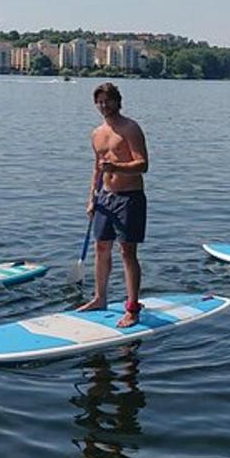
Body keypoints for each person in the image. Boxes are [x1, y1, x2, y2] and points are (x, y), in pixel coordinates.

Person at [79, 82, 149, 328]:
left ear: (118, 102)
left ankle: (132, 307)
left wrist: (116, 167)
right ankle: (100, 298)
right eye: (99, 101)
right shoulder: (96, 133)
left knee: (127, 252)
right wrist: (92, 197)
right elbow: (96, 168)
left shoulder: (130, 129)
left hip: (129, 197)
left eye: (107, 100)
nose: (103, 105)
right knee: (101, 248)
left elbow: (143, 164)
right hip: (105, 197)